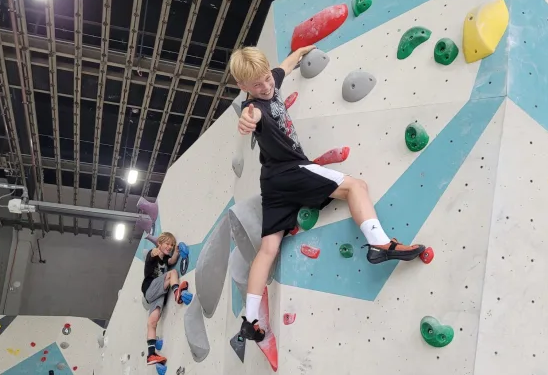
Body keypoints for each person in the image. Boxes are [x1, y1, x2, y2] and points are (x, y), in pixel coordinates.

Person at [231, 46, 426, 342]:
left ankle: (250, 319)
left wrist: (302, 51)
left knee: (268, 249)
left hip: (271, 182)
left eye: (267, 78)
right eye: (257, 85)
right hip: (290, 171)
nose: (267, 86)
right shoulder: (254, 108)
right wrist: (246, 121)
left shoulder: (272, 80)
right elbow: (250, 117)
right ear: (243, 88)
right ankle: (379, 244)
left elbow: (288, 63)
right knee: (355, 187)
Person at [142, 232, 191, 365]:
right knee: (173, 273)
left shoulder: (165, 260)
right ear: (160, 243)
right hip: (150, 287)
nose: (169, 247)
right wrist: (156, 249)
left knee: (152, 321)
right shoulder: (153, 254)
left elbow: (172, 261)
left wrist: (176, 251)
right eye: (167, 244)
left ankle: (151, 354)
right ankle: (177, 292)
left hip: (157, 294)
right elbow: (153, 253)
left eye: (171, 245)